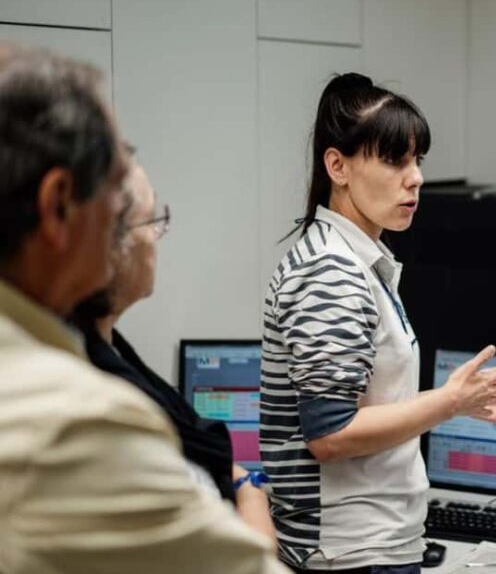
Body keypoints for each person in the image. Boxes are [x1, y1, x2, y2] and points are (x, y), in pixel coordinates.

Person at [0, 44, 289, 574]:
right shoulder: (74, 422)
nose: (126, 221)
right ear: (58, 204)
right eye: (115, 190)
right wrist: (251, 494)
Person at [260, 72, 496, 573]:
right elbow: (330, 434)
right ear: (337, 166)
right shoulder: (330, 271)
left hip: (371, 545)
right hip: (350, 552)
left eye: (417, 160)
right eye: (395, 160)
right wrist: (450, 402)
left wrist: (457, 402)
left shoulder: (356, 260)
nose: (415, 178)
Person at [71, 149, 276, 543]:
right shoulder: (111, 405)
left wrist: (238, 478)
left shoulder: (114, 353)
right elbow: (250, 560)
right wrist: (252, 495)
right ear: (107, 245)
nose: (157, 237)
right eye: (151, 220)